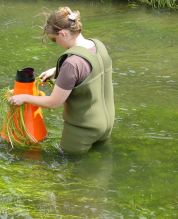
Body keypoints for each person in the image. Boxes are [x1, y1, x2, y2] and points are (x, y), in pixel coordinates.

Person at [8, 7, 115, 154]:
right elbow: (90, 66)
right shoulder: (98, 45)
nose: (55, 41)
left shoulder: (71, 64)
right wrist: (57, 70)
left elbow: (54, 103)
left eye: (54, 38)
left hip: (82, 131)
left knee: (69, 169)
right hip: (106, 124)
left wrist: (24, 98)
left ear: (63, 34)